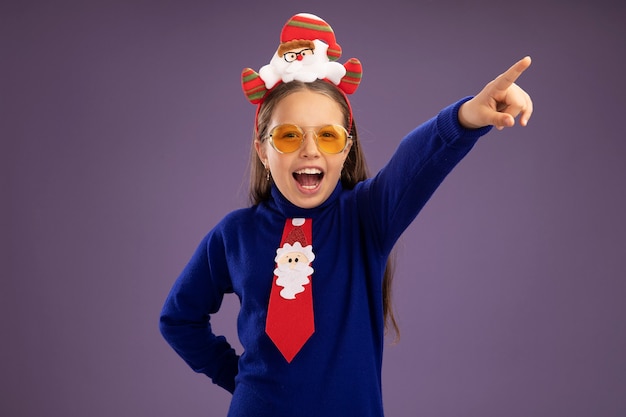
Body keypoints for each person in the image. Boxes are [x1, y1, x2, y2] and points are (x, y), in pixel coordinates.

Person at [159, 12, 533, 417]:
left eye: (327, 135)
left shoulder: (367, 217)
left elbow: (414, 161)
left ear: (346, 149)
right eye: (289, 135)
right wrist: (240, 380)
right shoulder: (233, 235)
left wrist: (464, 119)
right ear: (263, 150)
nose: (310, 149)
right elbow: (179, 318)